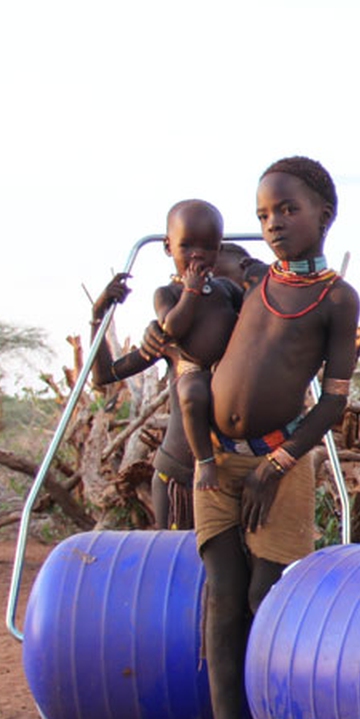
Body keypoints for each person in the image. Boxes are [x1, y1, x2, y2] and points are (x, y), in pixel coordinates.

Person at [182, 157, 360, 719]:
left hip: (278, 463)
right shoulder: (250, 280)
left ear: (324, 215)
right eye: (264, 214)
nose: (275, 223)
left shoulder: (337, 299)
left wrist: (278, 465)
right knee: (223, 597)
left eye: (288, 210)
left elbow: (334, 400)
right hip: (217, 462)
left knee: (268, 595)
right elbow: (191, 276)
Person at [89, 200, 244, 530]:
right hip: (181, 474)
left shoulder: (230, 296)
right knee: (180, 568)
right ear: (167, 247)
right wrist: (98, 317)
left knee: (229, 577)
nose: (197, 256)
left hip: (239, 470)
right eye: (187, 245)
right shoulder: (166, 329)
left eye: (207, 247)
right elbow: (106, 375)